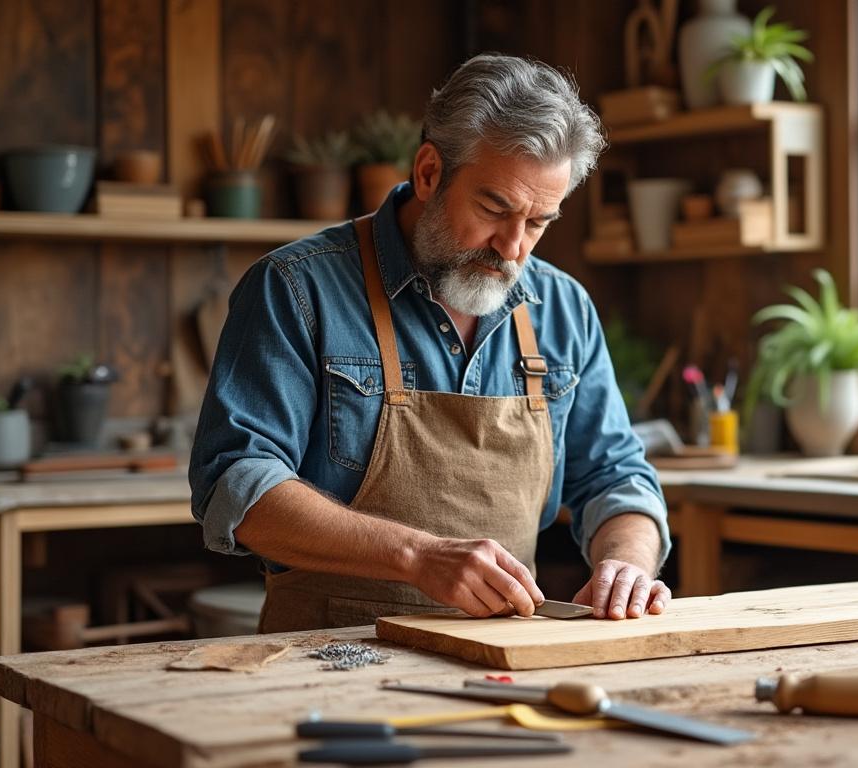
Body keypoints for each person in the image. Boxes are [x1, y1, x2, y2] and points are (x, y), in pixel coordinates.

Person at [188, 54, 671, 632]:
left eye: (540, 221)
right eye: (495, 208)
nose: (514, 247)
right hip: (323, 660)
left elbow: (618, 478)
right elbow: (237, 484)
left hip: (502, 660)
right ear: (428, 173)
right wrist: (416, 557)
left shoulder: (563, 309)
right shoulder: (296, 289)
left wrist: (627, 562)